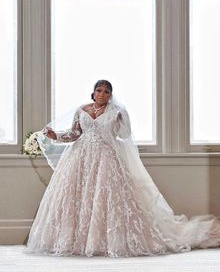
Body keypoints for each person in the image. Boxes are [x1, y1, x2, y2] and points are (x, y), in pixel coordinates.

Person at [24, 79, 220, 258]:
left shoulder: (116, 111)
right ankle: (76, 241)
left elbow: (125, 136)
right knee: (75, 198)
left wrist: (122, 120)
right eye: (99, 90)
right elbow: (74, 134)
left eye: (106, 91)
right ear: (93, 93)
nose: (102, 94)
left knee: (107, 198)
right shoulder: (81, 110)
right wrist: (54, 135)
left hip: (106, 158)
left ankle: (107, 241)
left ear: (110, 95)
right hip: (80, 158)